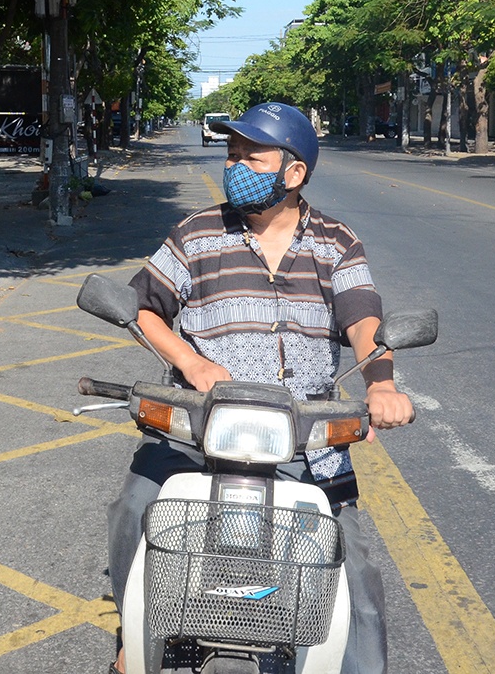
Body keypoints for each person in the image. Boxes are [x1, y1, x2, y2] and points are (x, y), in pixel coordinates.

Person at [107, 102, 413, 674]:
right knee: (132, 510)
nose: (235, 164)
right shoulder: (197, 234)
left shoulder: (336, 242)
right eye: (231, 154)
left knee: (358, 589)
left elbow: (364, 322)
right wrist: (190, 363)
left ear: (293, 173)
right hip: (198, 430)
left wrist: (383, 384)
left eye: (251, 155)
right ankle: (134, 637)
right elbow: (143, 308)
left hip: (304, 444)